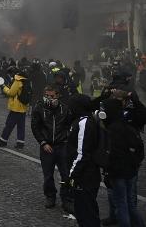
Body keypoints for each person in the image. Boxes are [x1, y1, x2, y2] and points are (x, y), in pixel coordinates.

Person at [103, 97, 146, 227]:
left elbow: (111, 155)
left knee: (121, 205)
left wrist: (108, 171)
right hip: (130, 171)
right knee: (130, 204)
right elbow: (139, 149)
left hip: (118, 173)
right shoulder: (128, 126)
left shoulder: (111, 130)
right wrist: (135, 165)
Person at [30, 85, 72, 211]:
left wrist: (66, 139)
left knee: (66, 174)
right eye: (46, 96)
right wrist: (43, 142)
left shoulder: (65, 109)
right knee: (48, 175)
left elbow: (69, 125)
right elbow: (35, 127)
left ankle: (67, 199)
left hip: (62, 146)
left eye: (51, 96)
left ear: (58, 95)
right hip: (46, 147)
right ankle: (50, 196)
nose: (48, 98)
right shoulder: (39, 108)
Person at [67, 94, 101, 227]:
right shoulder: (84, 119)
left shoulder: (84, 122)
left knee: (86, 211)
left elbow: (82, 153)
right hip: (85, 173)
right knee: (84, 209)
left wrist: (72, 174)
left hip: (85, 175)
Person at [0, 67, 29, 149]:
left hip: (16, 108)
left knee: (8, 125)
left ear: (13, 73)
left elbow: (11, 93)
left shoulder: (18, 81)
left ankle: (2, 141)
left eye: (10, 74)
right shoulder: (25, 79)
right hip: (23, 107)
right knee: (21, 127)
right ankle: (20, 144)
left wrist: (3, 87)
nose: (10, 76)